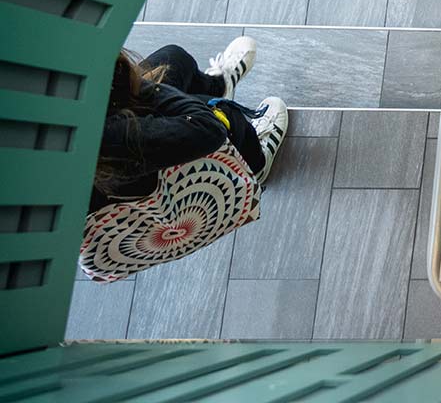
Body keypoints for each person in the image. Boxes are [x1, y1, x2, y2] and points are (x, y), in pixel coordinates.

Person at [79, 37, 289, 282]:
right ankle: (254, 164)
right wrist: (131, 86)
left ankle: (216, 86)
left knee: (174, 59)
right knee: (220, 116)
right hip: (131, 167)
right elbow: (206, 130)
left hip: (98, 174)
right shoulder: (112, 134)